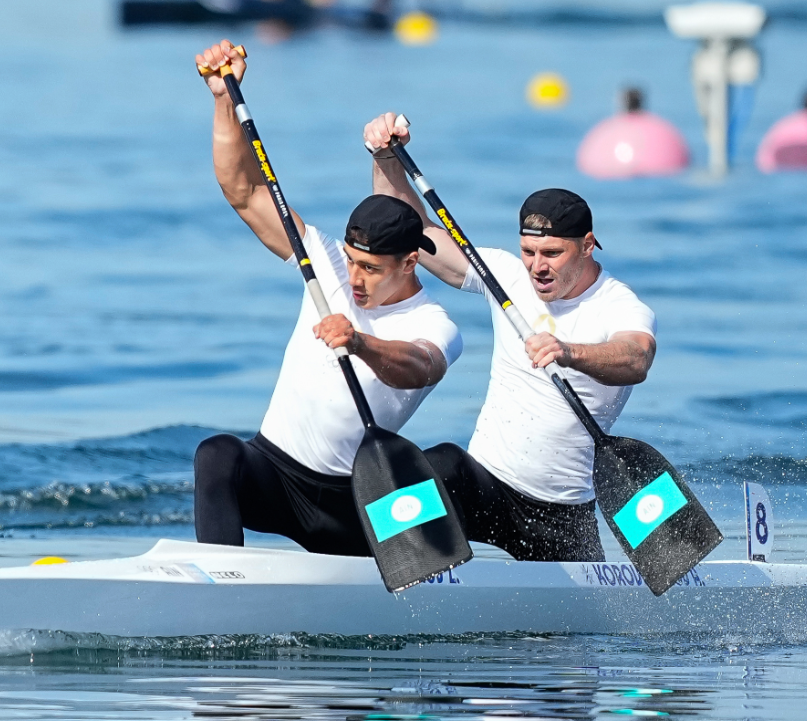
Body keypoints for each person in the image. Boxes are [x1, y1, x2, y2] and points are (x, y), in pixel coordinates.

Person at [192, 42, 463, 556]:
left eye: (371, 269)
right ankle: (222, 584)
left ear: (409, 262)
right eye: (352, 261)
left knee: (447, 465)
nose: (354, 278)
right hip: (274, 473)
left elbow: (419, 366)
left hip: (354, 501)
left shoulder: (435, 323)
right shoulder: (325, 262)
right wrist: (223, 99)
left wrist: (360, 343)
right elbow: (244, 191)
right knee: (217, 454)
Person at [363, 112, 659, 562]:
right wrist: (385, 158)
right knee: (440, 463)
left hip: (561, 516)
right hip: (489, 487)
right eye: (529, 251)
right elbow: (415, 232)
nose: (537, 266)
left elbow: (636, 358)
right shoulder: (504, 275)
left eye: (552, 253)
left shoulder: (620, 305)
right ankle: (376, 561)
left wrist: (568, 351)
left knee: (569, 634)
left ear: (587, 244)